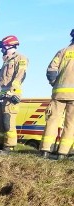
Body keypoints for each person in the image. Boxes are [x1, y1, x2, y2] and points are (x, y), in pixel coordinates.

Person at [0, 35, 29, 154]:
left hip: (11, 96)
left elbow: (20, 76)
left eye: (2, 47)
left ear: (9, 45)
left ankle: (9, 146)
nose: (1, 50)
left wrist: (13, 92)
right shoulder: (6, 61)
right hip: (1, 97)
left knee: (8, 122)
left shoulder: (20, 58)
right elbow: (1, 80)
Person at [39, 29, 74, 160]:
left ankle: (45, 150)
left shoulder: (63, 51)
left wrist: (55, 83)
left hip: (58, 94)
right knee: (71, 124)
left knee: (52, 121)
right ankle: (62, 153)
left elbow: (51, 70)